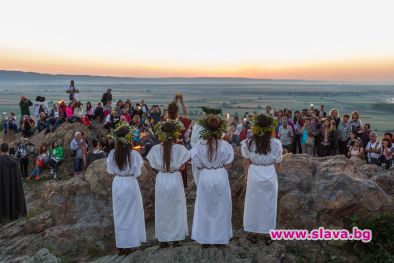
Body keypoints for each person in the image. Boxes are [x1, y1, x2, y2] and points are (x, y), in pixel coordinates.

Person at [191, 115, 234, 247]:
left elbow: (197, 164)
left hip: (205, 175)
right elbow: (228, 164)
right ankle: (220, 238)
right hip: (220, 174)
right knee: (221, 207)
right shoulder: (225, 145)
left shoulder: (199, 145)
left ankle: (205, 238)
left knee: (205, 207)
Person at [147, 121, 190, 248]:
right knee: (176, 207)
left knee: (162, 209)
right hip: (175, 178)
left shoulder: (155, 150)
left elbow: (153, 166)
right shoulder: (181, 149)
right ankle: (176, 238)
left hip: (162, 178)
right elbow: (182, 167)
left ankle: (163, 239)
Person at [241, 114, 283, 245]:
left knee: (253, 204)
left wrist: (246, 176)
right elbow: (278, 164)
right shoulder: (276, 143)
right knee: (269, 205)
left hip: (254, 172)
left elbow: (245, 162)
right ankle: (268, 233)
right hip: (269, 172)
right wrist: (275, 175)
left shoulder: (248, 142)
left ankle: (252, 232)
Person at [106, 124, 146, 255]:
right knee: (132, 214)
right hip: (130, 182)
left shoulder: (112, 154)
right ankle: (130, 243)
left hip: (117, 183)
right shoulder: (133, 154)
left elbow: (110, 171)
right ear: (129, 139)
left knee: (119, 214)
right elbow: (138, 173)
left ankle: (121, 245)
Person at [0, 143, 27, 223]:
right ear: (8, 149)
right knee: (14, 193)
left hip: (4, 186)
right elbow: (18, 178)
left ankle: (5, 214)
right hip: (14, 186)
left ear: (0, 150)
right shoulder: (15, 161)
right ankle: (15, 212)